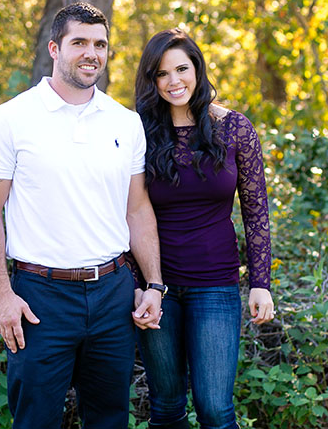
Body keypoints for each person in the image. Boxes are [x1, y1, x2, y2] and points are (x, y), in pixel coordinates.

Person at [0, 2, 166, 429]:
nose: (91, 53)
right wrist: (1, 295)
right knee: (35, 421)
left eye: (100, 44)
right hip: (40, 298)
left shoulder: (125, 122)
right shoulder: (10, 119)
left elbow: (137, 209)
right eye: (79, 42)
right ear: (55, 49)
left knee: (110, 420)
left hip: (114, 295)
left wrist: (153, 284)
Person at [132, 28, 275, 429]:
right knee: (165, 406)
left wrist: (260, 282)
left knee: (215, 409)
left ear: (198, 69)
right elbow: (125, 211)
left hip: (215, 285)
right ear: (151, 79)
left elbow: (256, 210)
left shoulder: (234, 128)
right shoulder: (137, 130)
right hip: (157, 286)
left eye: (182, 68)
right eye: (162, 73)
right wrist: (140, 284)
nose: (174, 81)